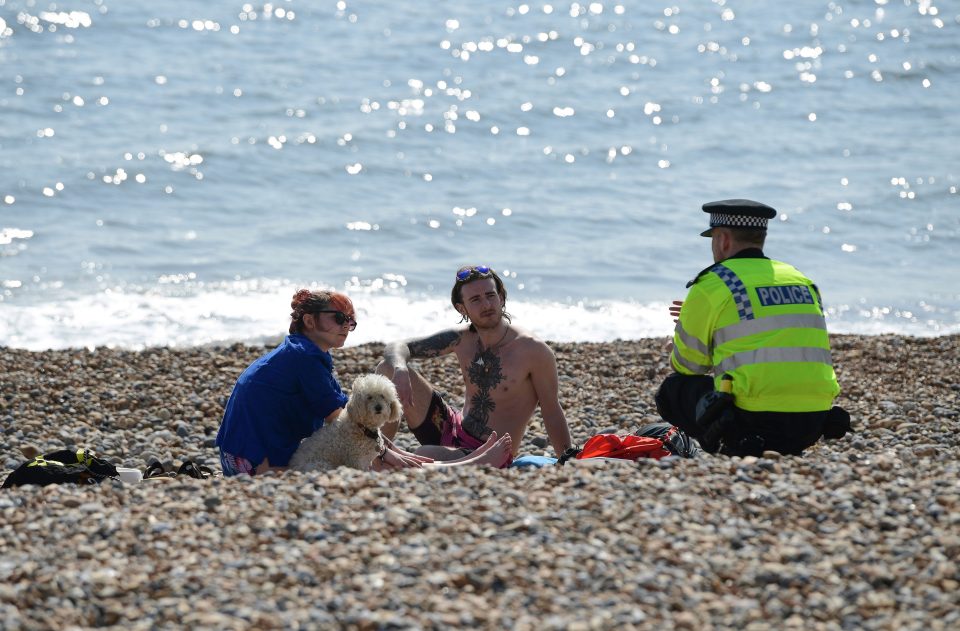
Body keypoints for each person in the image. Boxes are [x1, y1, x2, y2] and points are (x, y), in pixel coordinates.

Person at [215, 289, 513, 476]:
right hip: (254, 465)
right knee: (368, 458)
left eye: (351, 322)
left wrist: (385, 447)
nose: (346, 326)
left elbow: (344, 416)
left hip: (237, 456)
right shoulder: (304, 357)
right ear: (309, 321)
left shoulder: (298, 351)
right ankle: (460, 468)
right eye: (338, 319)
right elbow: (345, 421)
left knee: (370, 448)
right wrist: (386, 450)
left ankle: (453, 465)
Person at [655, 199, 850, 457]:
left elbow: (689, 366)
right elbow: (771, 335)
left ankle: (727, 445)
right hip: (813, 422)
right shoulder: (800, 280)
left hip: (753, 425)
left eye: (713, 238)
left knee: (674, 389)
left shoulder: (715, 282)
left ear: (723, 239)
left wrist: (681, 338)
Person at [376, 265, 575, 467]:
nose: (486, 304)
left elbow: (552, 410)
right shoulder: (462, 339)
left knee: (424, 453)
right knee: (388, 368)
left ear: (502, 298)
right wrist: (400, 369)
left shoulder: (532, 350)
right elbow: (398, 346)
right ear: (461, 308)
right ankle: (377, 454)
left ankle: (394, 462)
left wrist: (567, 461)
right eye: (475, 300)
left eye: (491, 295)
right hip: (450, 427)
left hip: (491, 450)